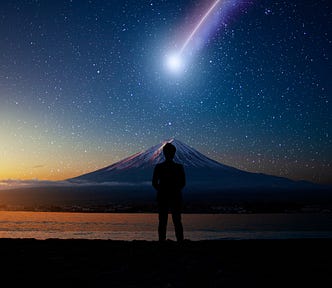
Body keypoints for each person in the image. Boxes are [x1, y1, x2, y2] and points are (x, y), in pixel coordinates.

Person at [152, 142, 186, 242]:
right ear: (174, 153)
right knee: (177, 221)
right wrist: (174, 190)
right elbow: (183, 183)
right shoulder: (179, 167)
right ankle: (180, 241)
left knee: (163, 221)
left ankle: (161, 241)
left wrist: (162, 190)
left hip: (163, 197)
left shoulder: (159, 167)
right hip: (175, 197)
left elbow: (154, 183)